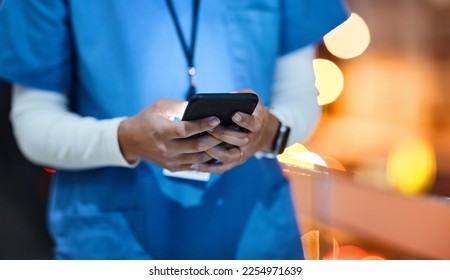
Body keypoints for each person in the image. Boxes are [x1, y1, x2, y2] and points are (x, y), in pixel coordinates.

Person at [0, 0, 348, 259]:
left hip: (255, 237)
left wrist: (266, 132)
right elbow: (34, 124)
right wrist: (125, 140)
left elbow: (301, 99)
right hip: (114, 242)